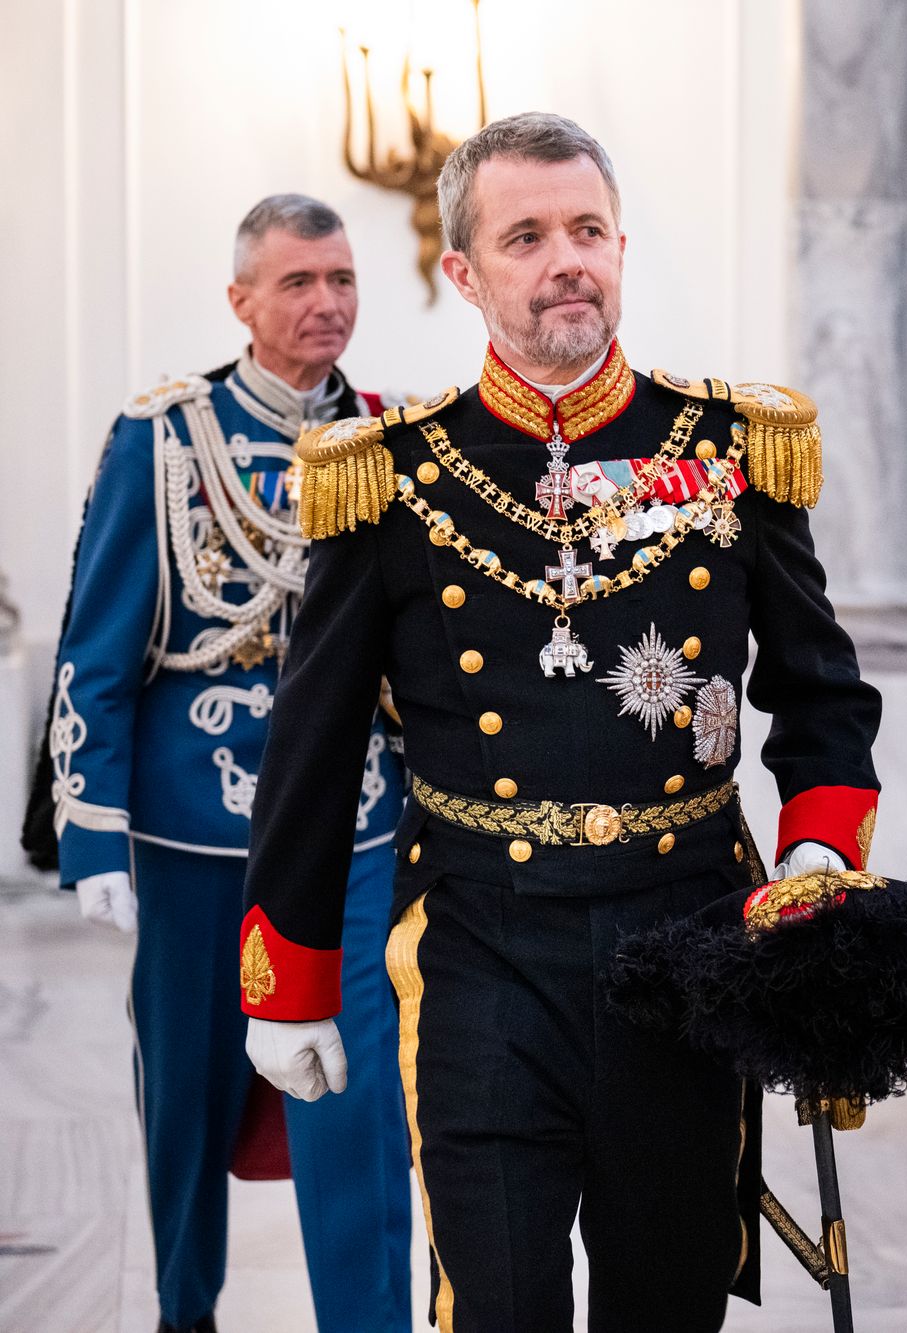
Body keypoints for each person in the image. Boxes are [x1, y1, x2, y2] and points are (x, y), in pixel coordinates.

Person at [235, 113, 882, 1331]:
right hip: (481, 945)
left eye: (585, 229)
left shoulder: (732, 451)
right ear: (465, 275)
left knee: (666, 1298)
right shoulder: (392, 476)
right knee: (505, 1299)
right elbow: (311, 748)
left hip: (686, 939)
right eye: (525, 237)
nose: (564, 259)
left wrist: (816, 852)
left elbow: (821, 692)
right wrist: (290, 979)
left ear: (621, 246)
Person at [45, 195, 410, 1333]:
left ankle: (367, 1320)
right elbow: (95, 648)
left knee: (352, 1100)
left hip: (352, 821)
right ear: (240, 298)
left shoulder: (393, 438)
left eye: (342, 279)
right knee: (190, 1097)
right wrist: (91, 825)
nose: (326, 303)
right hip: (193, 822)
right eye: (298, 282)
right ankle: (184, 1306)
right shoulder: (163, 437)